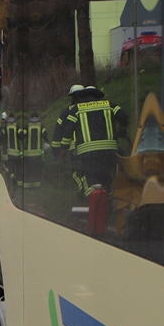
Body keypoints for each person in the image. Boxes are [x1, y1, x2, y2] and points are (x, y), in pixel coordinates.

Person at [54, 84, 130, 233]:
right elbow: (124, 117)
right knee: (106, 181)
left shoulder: (77, 109)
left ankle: (94, 217)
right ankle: (107, 214)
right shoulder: (109, 104)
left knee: (92, 184)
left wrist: (63, 149)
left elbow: (68, 130)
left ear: (84, 97)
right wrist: (122, 131)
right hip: (109, 152)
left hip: (88, 154)